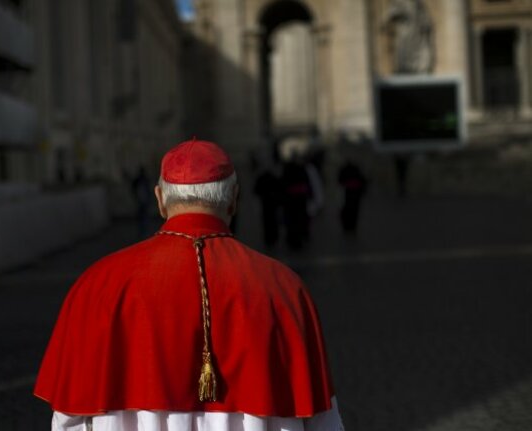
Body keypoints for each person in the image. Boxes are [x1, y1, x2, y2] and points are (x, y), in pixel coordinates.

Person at [34, 139, 344, 431]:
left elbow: (68, 420)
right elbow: (322, 421)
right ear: (234, 199)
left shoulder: (97, 286)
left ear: (159, 199)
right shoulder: (285, 288)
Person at [338, 159, 367, 234]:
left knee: (348, 210)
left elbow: (340, 180)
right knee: (354, 211)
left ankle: (348, 227)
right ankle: (352, 227)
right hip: (355, 193)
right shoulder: (356, 170)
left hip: (349, 192)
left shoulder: (346, 170)